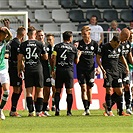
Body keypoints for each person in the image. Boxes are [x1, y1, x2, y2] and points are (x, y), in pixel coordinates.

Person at [18, 26, 48, 117]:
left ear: (27, 34)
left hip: (28, 69)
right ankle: (39, 112)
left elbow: (19, 59)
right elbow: (46, 57)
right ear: (35, 34)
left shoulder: (23, 44)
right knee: (39, 91)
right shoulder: (40, 44)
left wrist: (19, 69)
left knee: (29, 92)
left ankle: (31, 112)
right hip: (38, 68)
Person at [96, 35, 130, 116]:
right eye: (115, 45)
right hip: (107, 71)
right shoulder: (104, 47)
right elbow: (98, 58)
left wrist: (126, 66)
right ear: (113, 41)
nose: (116, 46)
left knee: (119, 91)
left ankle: (118, 110)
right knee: (108, 90)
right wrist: (102, 69)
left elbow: (122, 57)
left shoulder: (119, 47)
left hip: (116, 71)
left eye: (117, 45)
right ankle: (109, 111)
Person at [51, 31, 81, 116]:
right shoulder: (73, 48)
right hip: (68, 71)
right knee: (69, 91)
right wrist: (78, 55)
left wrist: (53, 70)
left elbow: (53, 58)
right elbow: (76, 62)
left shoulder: (57, 47)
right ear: (70, 38)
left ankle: (57, 109)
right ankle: (69, 111)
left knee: (57, 90)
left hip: (59, 70)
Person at [76, 26, 100, 115]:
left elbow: (98, 56)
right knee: (83, 88)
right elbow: (76, 59)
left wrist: (98, 67)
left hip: (90, 70)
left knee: (89, 88)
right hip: (81, 69)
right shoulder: (79, 44)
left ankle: (88, 107)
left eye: (85, 34)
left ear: (89, 34)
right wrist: (78, 54)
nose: (83, 36)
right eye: (82, 34)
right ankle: (86, 108)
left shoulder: (94, 44)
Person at [7, 26, 26, 117]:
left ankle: (13, 109)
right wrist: (21, 69)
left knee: (19, 89)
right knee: (17, 89)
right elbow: (19, 59)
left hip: (10, 67)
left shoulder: (12, 42)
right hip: (14, 68)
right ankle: (13, 110)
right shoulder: (17, 43)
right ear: (23, 34)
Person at [36, 30, 51, 116]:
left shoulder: (48, 46)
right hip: (37, 69)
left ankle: (44, 108)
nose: (40, 37)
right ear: (36, 36)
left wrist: (52, 69)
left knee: (47, 89)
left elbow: (50, 58)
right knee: (37, 90)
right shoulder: (35, 45)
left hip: (46, 70)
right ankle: (37, 108)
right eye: (39, 35)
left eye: (42, 35)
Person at [0, 26, 12, 120]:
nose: (6, 35)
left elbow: (10, 36)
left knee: (6, 91)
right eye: (4, 34)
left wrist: (6, 29)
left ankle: (0, 110)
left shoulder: (4, 43)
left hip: (3, 69)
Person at [46, 33, 56, 111]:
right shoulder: (45, 48)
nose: (49, 41)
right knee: (46, 89)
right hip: (46, 71)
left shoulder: (56, 48)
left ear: (53, 40)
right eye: (47, 40)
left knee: (54, 89)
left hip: (55, 71)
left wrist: (54, 70)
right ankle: (46, 105)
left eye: (50, 40)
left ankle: (54, 104)